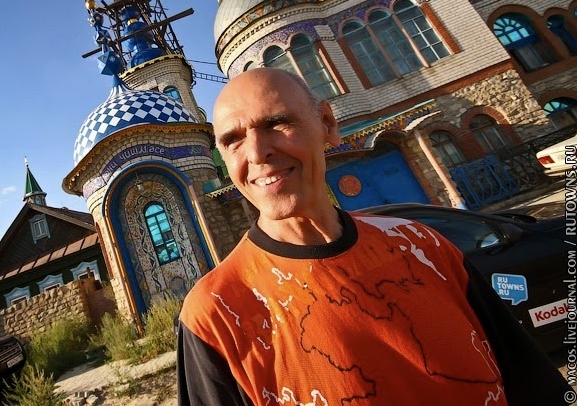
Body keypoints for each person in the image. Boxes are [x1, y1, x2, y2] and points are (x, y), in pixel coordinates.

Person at [177, 68, 569, 405]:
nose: (258, 152)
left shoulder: (424, 247)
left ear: (328, 125)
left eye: (277, 123)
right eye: (233, 141)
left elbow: (530, 381)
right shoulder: (215, 314)